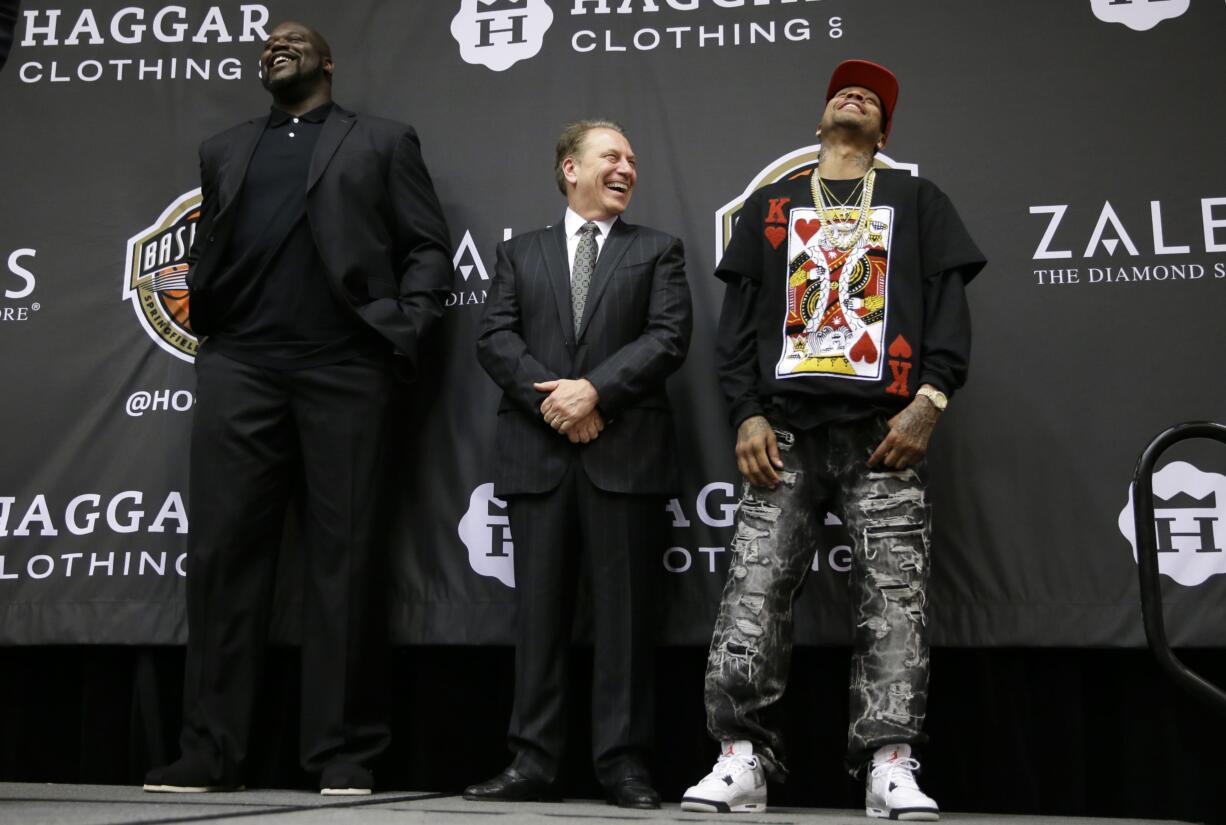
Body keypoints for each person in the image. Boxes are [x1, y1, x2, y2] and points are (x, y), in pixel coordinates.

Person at [142, 20, 452, 796]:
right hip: (240, 364)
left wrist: (404, 327)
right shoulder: (224, 150)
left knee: (343, 562)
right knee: (222, 559)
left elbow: (426, 245)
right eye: (266, 42)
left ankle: (342, 751)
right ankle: (210, 751)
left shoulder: (381, 141)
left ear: (328, 62)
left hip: (344, 367)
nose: (275, 44)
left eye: (293, 38)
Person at [680, 59, 985, 820]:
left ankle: (889, 762)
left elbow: (950, 313)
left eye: (876, 99)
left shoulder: (917, 200)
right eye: (844, 89)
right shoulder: (773, 205)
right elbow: (737, 327)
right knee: (753, 588)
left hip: (883, 431)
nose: (858, 94)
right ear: (821, 120)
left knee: (894, 596)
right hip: (782, 428)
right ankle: (740, 757)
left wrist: (932, 400)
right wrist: (745, 412)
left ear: (884, 132)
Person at [467, 120, 692, 809]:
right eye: (611, 156)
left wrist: (595, 391)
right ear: (570, 168)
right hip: (538, 457)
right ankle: (532, 761)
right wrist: (557, 403)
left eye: (632, 159)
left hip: (624, 456)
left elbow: (667, 337)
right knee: (537, 617)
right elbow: (495, 336)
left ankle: (622, 764)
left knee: (625, 621)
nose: (627, 167)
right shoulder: (520, 253)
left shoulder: (659, 251)